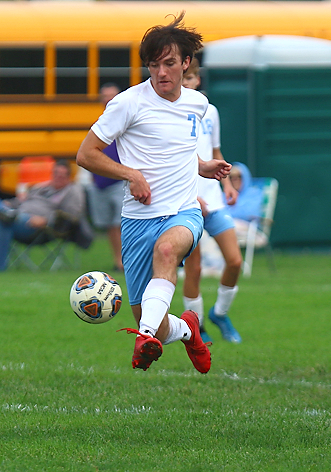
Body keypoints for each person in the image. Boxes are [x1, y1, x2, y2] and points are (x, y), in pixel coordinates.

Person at [76, 12, 231, 374]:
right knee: (155, 317)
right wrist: (130, 173)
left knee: (166, 252)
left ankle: (143, 337)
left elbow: (177, 149)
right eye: (153, 65)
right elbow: (86, 155)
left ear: (186, 63)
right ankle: (186, 330)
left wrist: (201, 165)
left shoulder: (198, 104)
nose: (161, 72)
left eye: (169, 64)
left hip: (182, 211)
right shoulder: (128, 103)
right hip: (136, 220)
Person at [181, 58, 243, 344]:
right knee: (193, 268)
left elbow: (215, 150)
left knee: (234, 261)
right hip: (186, 203)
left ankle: (219, 313)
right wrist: (191, 195)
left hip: (214, 201)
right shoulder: (171, 113)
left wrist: (226, 183)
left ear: (198, 81)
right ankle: (198, 328)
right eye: (182, 79)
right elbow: (174, 161)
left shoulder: (211, 112)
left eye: (190, 78)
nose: (186, 84)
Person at [0, 160, 85, 271]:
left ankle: (9, 215)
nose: (58, 177)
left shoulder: (72, 191)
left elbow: (72, 216)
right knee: (4, 217)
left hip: (37, 227)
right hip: (18, 215)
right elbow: (22, 200)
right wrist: (10, 203)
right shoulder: (42, 187)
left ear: (68, 176)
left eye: (62, 175)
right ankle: (8, 213)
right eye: (56, 174)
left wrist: (47, 220)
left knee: (5, 223)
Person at [87, 82, 125, 272]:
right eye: (105, 96)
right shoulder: (98, 123)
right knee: (110, 225)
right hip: (99, 183)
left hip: (120, 182)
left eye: (112, 95)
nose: (108, 99)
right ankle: (118, 260)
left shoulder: (125, 120)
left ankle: (127, 260)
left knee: (121, 223)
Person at [227, 162, 268, 248]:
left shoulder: (255, 194)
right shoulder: (224, 195)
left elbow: (250, 213)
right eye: (231, 177)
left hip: (249, 230)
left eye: (239, 176)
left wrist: (228, 214)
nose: (235, 179)